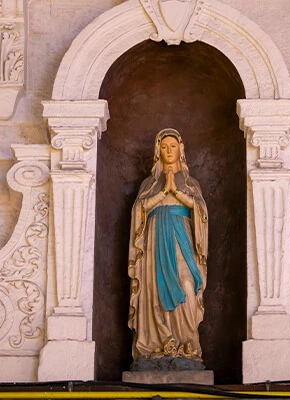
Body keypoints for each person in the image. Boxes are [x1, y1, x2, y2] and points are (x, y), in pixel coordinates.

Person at [127, 128, 209, 371]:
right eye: (164, 146)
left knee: (187, 285)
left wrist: (177, 192)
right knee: (154, 292)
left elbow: (201, 214)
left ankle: (187, 344)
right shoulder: (149, 183)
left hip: (181, 236)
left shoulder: (191, 183)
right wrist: (163, 191)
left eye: (173, 146)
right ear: (157, 150)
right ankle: (158, 344)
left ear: (181, 149)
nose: (169, 151)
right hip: (154, 240)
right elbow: (138, 211)